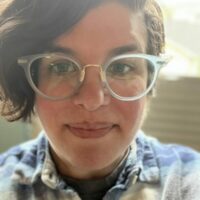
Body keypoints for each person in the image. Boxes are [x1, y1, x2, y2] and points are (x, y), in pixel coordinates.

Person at [0, 0, 199, 199]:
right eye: (61, 67)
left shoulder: (190, 182)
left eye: (121, 68)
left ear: (150, 80)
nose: (92, 100)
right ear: (30, 82)